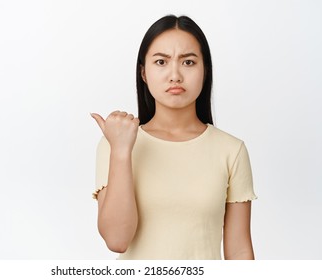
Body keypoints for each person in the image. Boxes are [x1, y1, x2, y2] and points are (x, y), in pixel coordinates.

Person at [90, 14, 257, 260]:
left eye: (188, 62)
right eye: (161, 62)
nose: (175, 75)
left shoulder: (231, 150)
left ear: (205, 71)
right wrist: (122, 151)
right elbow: (117, 240)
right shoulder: (115, 144)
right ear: (144, 73)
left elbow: (240, 250)